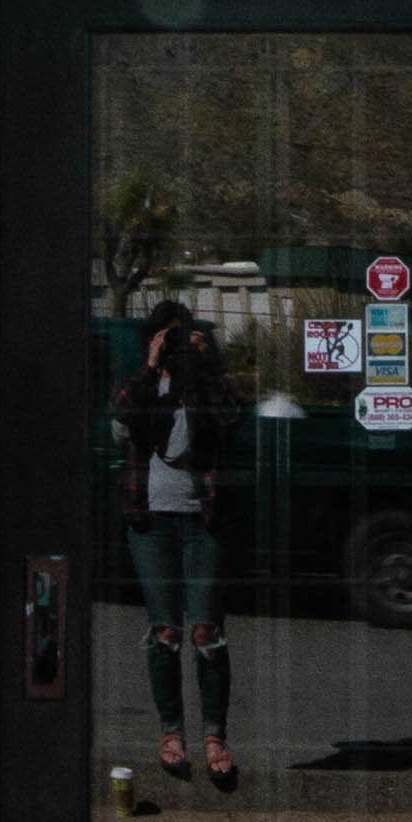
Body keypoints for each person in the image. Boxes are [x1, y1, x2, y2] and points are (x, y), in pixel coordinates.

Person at [113, 303, 238, 790]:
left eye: (180, 339)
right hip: (151, 522)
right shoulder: (141, 384)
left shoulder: (202, 384)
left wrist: (204, 366)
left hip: (202, 520)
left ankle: (214, 737)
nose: (175, 348)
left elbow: (231, 416)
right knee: (165, 630)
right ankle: (171, 733)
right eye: (169, 339)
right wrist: (151, 365)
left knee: (206, 630)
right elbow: (122, 411)